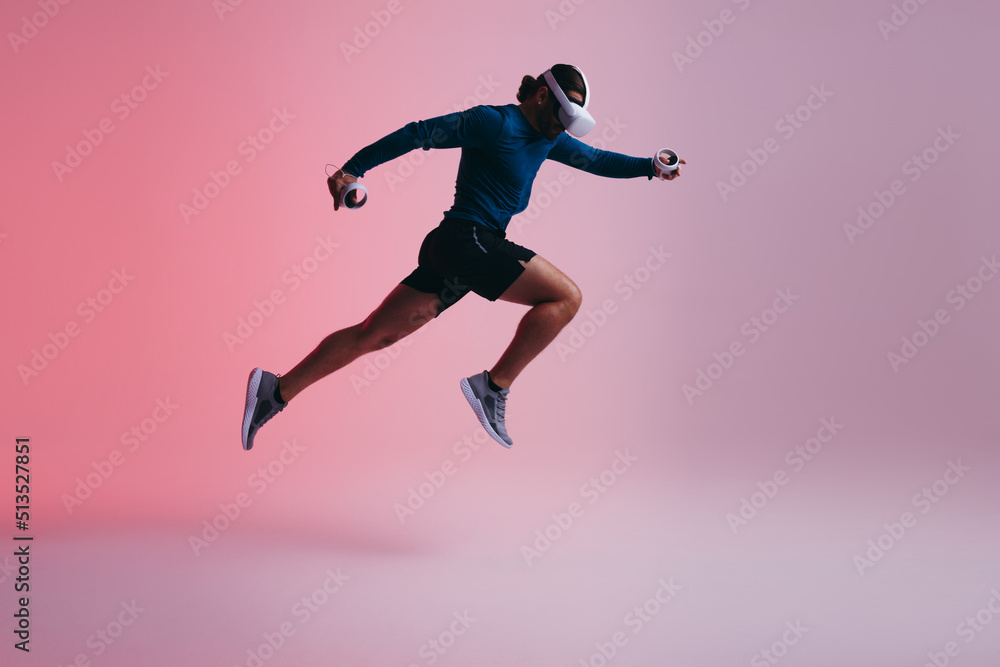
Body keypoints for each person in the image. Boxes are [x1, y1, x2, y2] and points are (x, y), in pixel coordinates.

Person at [241, 63, 685, 452]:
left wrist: (650, 165)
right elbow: (418, 133)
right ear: (541, 94)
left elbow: (597, 159)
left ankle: (274, 391)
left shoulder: (549, 138)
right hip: (466, 240)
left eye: (572, 121)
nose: (562, 128)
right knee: (566, 297)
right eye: (560, 115)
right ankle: (492, 387)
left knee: (374, 335)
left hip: (457, 255)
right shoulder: (493, 122)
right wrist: (352, 168)